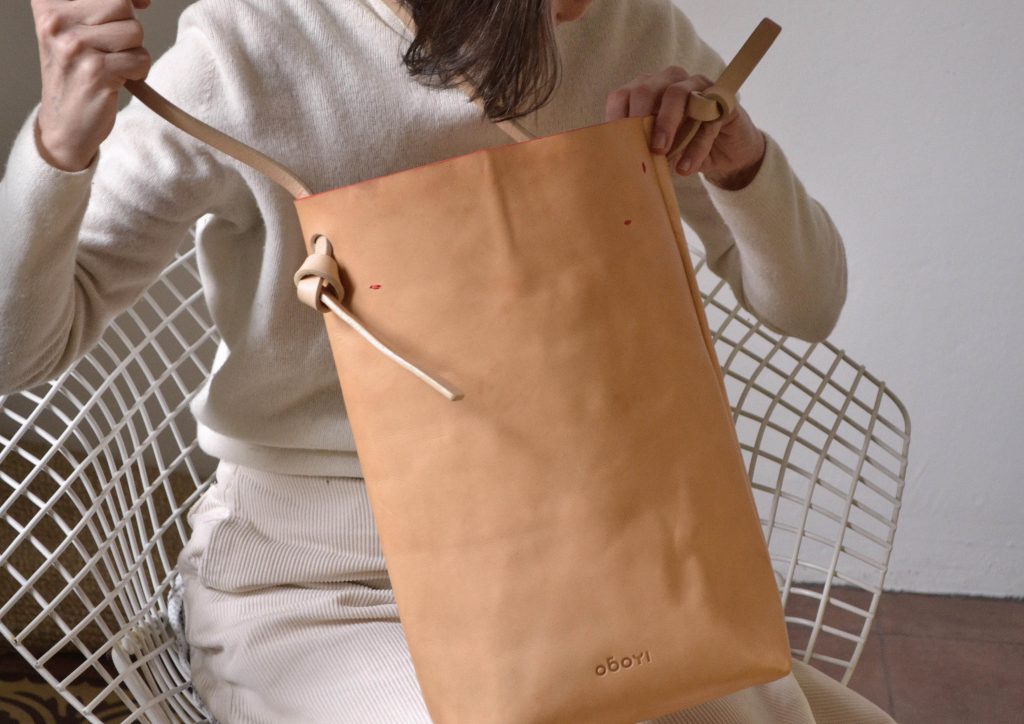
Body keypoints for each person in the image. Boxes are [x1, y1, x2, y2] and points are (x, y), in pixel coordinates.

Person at [0, 0, 889, 721]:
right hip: (317, 584)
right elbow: (21, 352)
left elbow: (807, 305)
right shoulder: (247, 50)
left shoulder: (632, 29)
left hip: (593, 554)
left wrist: (743, 167)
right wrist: (58, 147)